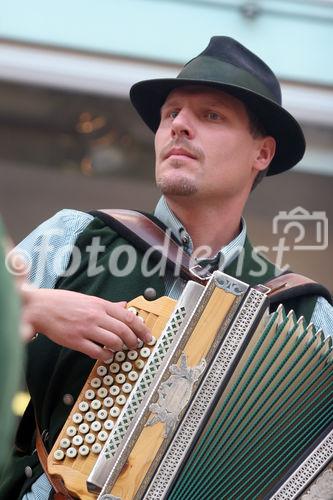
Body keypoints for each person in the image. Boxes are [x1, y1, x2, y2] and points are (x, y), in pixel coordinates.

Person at [0, 36, 332, 499]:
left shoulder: (306, 312)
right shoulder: (72, 236)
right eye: (170, 114)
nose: (179, 126)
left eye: (211, 115)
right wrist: (26, 307)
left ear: (263, 153)